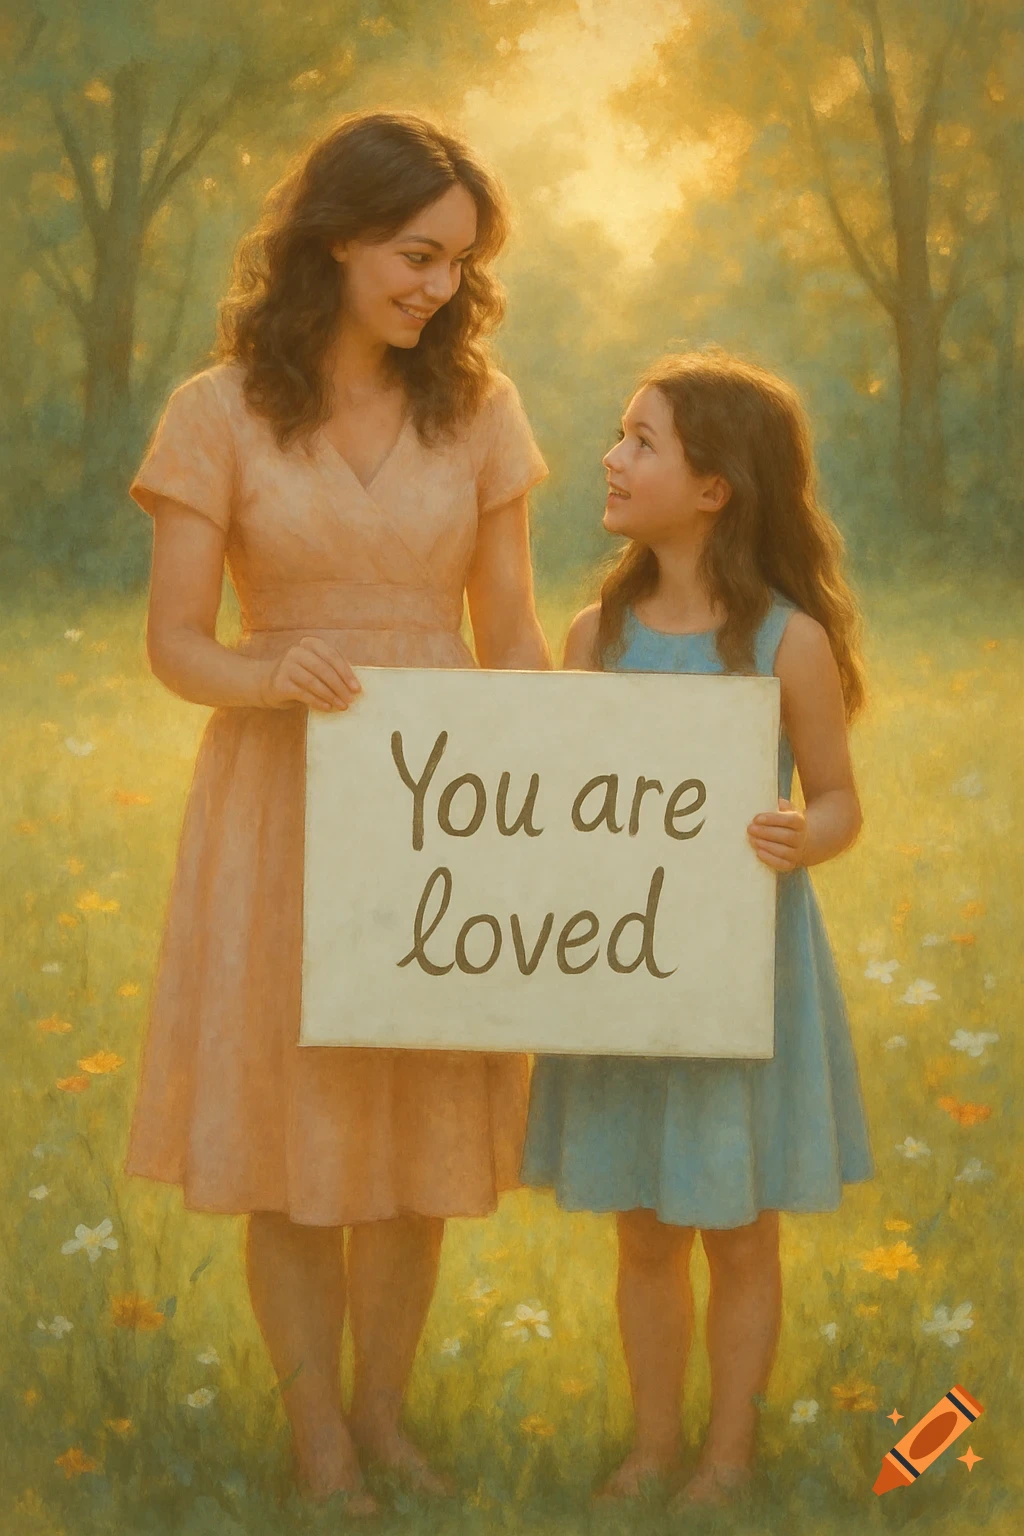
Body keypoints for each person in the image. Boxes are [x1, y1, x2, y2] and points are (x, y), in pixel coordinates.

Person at [127, 111, 550, 1514]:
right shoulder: (216, 410)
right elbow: (175, 642)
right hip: (283, 789)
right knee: (290, 1130)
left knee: (419, 1129)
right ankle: (316, 1440)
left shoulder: (481, 409)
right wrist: (268, 674)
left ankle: (383, 1421)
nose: (439, 286)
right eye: (416, 254)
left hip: (442, 798)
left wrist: (555, 792)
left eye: (459, 262)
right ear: (335, 237)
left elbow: (512, 635)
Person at [520, 350, 875, 1509]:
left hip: (741, 970)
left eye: (641, 442)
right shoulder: (595, 635)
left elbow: (838, 798)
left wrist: (800, 834)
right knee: (642, 1231)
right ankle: (652, 1447)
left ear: (714, 487)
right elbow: (571, 804)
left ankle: (727, 1458)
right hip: (627, 972)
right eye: (620, 435)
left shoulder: (785, 642)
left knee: (739, 1231)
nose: (611, 459)